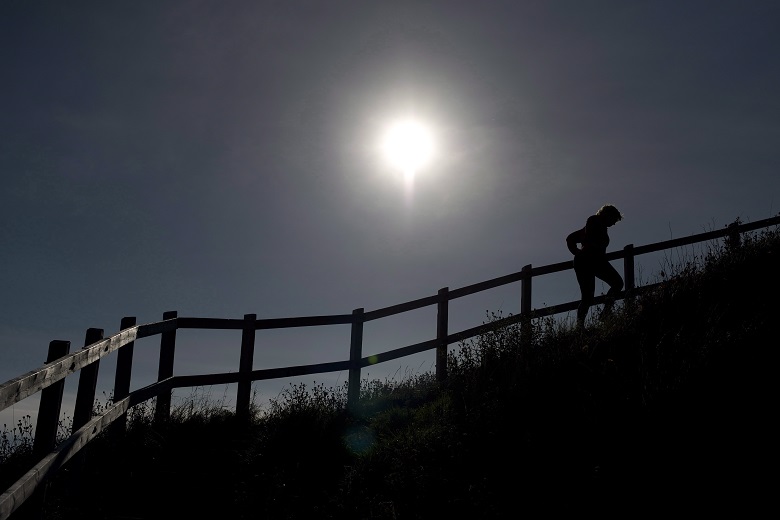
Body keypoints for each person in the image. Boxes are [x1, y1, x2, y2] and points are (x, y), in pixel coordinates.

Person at [566, 204, 624, 328]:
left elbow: (571, 238)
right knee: (588, 297)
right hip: (588, 262)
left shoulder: (598, 224)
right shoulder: (593, 220)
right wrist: (579, 253)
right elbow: (571, 239)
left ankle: (604, 313)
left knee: (616, 284)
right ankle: (581, 326)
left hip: (595, 261)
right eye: (614, 220)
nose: (614, 223)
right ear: (607, 215)